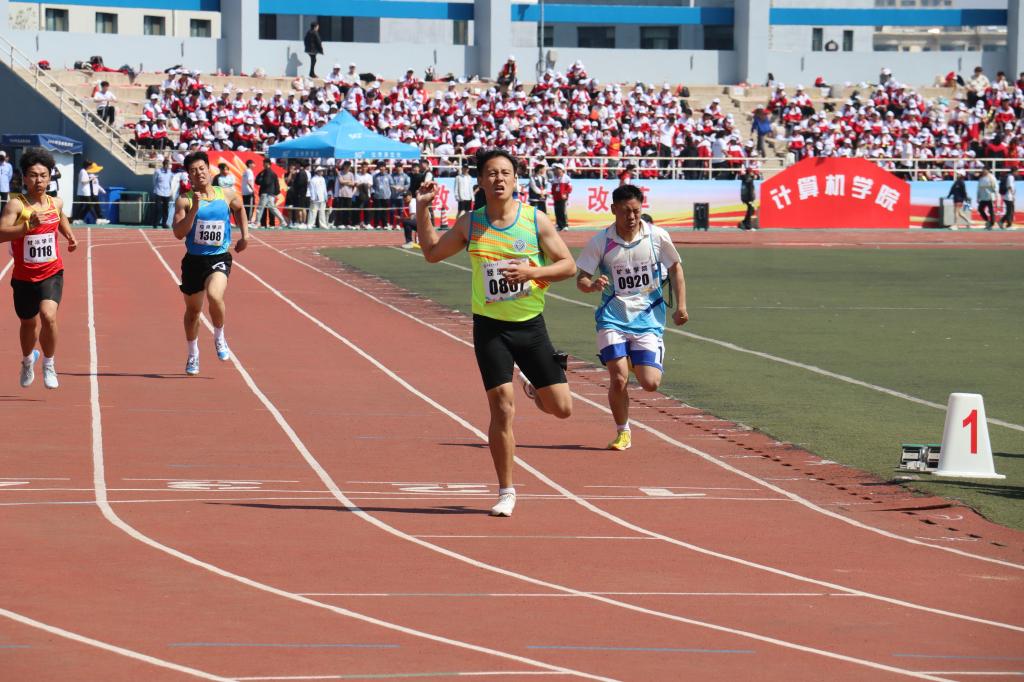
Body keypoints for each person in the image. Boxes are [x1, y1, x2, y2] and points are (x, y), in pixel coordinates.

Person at [414, 149, 576, 517]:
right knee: (502, 408)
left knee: (562, 409)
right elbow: (432, 253)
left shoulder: (534, 220)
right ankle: (506, 491)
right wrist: (423, 209)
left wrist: (532, 273)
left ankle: (534, 387)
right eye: (491, 173)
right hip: (490, 329)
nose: (499, 179)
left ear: (516, 180)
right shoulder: (471, 223)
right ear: (481, 181)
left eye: (505, 172)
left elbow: (568, 265)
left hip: (531, 327)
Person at [575, 184, 687, 451]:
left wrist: (681, 306)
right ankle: (622, 432)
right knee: (618, 378)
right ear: (613, 210)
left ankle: (636, 360)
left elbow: (675, 269)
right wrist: (592, 285)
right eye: (626, 211)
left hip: (648, 320)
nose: (632, 217)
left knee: (650, 383)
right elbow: (581, 279)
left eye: (636, 211)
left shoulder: (657, 236)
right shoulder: (601, 241)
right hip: (612, 318)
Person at [0, 148, 78, 389]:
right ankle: (27, 360)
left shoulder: (56, 202)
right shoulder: (16, 205)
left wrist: (69, 234)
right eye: (33, 175)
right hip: (24, 276)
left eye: (43, 175)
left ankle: (49, 363)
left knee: (48, 316)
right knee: (28, 323)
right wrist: (25, 227)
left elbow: (60, 216)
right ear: (24, 178)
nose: (39, 180)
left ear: (50, 177)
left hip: (51, 273)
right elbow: (1, 233)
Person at [171, 151, 248, 376]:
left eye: (202, 169)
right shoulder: (184, 200)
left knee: (215, 295)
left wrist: (245, 236)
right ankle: (193, 353)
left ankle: (219, 336)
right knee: (193, 312)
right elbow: (178, 233)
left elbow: (240, 208)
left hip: (219, 257)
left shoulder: (226, 194)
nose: (199, 173)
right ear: (189, 175)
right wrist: (194, 209)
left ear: (208, 169)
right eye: (193, 171)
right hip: (194, 262)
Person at [253, 157, 287, 229]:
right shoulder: (270, 172)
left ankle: (257, 223)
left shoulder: (267, 172)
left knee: (260, 208)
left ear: (267, 163)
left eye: (264, 163)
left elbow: (266, 182)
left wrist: (260, 180)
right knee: (273, 208)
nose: (263, 164)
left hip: (266, 193)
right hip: (270, 193)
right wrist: (275, 192)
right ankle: (283, 221)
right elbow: (276, 184)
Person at [73, 160, 105, 224]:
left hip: (84, 192)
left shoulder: (84, 171)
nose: (90, 167)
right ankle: (97, 219)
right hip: (84, 192)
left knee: (81, 206)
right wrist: (91, 179)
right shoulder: (83, 171)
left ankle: (77, 219)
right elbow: (83, 181)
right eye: (90, 166)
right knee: (90, 205)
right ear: (87, 166)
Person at [152, 156, 174, 228]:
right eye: (167, 165)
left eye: (169, 165)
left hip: (167, 193)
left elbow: (171, 182)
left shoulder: (170, 173)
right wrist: (156, 189)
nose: (168, 166)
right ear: (164, 165)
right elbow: (154, 181)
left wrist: (170, 191)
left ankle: (164, 223)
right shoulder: (158, 171)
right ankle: (155, 223)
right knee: (158, 208)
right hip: (158, 192)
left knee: (165, 209)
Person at [550, 163, 571, 231]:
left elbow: (570, 188)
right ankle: (559, 225)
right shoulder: (554, 178)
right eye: (555, 169)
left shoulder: (566, 178)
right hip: (556, 197)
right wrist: (552, 194)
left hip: (563, 197)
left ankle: (565, 225)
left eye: (558, 169)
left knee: (562, 211)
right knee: (557, 211)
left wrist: (565, 193)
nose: (556, 171)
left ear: (562, 170)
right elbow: (553, 188)